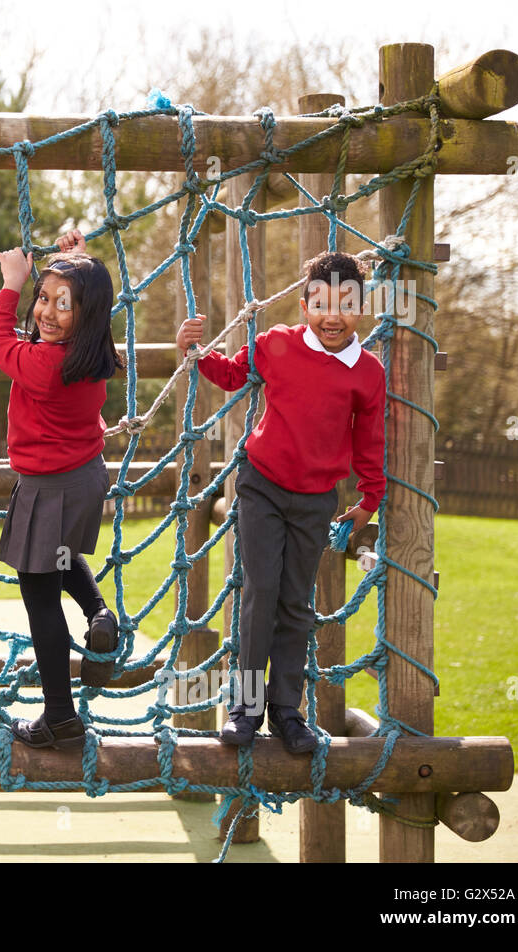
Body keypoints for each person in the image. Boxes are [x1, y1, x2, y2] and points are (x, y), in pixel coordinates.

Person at [176, 250, 383, 754]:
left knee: (296, 603)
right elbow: (230, 374)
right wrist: (196, 352)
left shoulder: (367, 372)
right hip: (262, 485)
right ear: (304, 302)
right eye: (321, 303)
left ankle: (287, 711)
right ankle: (244, 711)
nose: (332, 315)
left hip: (316, 500)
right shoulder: (277, 344)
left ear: (363, 307)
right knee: (260, 593)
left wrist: (369, 499)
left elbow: (369, 443)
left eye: (346, 305)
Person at [0, 231, 124, 750]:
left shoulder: (46, 365)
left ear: (85, 316)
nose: (45, 311)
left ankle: (60, 717)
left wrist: (12, 285)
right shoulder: (94, 355)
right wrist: (73, 259)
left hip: (48, 485)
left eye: (62, 305)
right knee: (63, 559)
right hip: (85, 476)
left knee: (39, 593)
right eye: (43, 298)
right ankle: (99, 614)